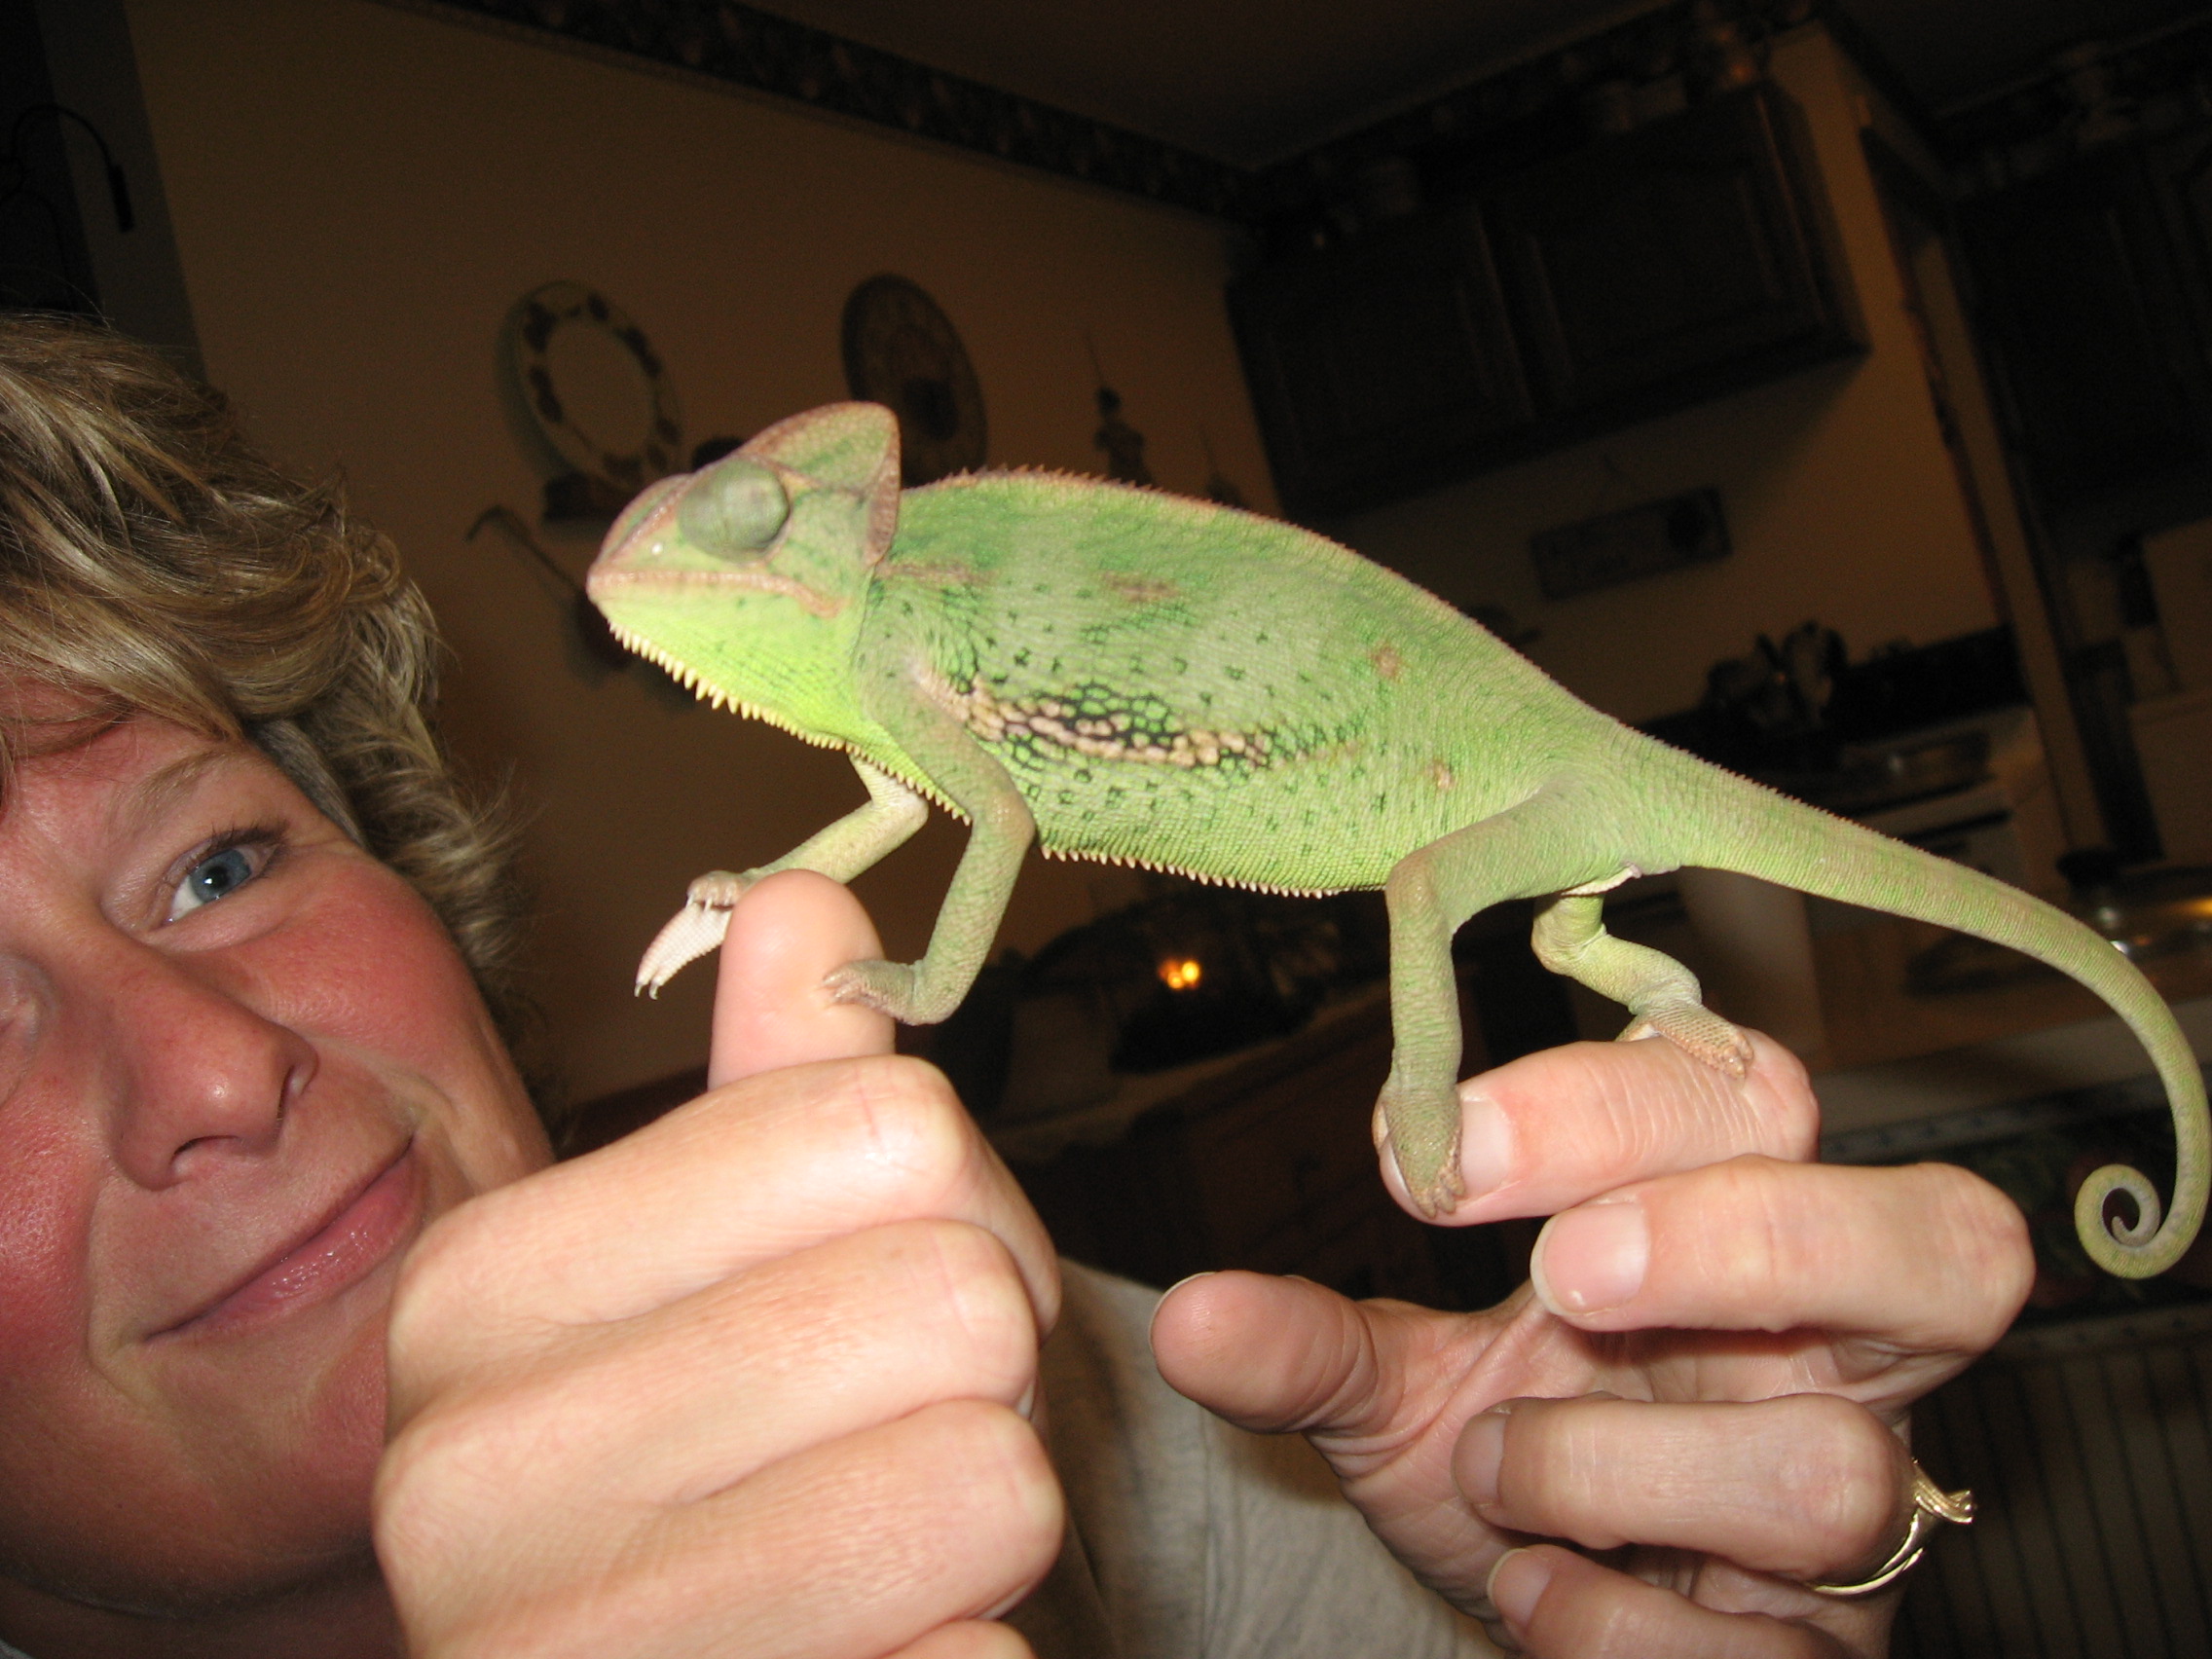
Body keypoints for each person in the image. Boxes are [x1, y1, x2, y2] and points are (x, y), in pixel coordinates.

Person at [0, 314, 2033, 1659]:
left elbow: (944, 810)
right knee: (1513, 910)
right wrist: (832, 906)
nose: (212, 1071)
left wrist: (1658, 1594)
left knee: (1477, 894)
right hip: (1459, 792)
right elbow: (943, 806)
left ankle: (1607, 990)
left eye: (219, 862)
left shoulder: (1095, 1400)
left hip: (1462, 774)